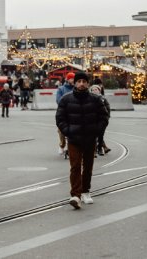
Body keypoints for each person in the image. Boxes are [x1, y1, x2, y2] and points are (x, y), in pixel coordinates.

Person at [56, 71, 109, 210]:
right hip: (74, 139)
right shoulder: (66, 99)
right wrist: (68, 131)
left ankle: (86, 191)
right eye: (79, 81)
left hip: (90, 139)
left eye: (84, 82)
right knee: (75, 167)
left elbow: (104, 117)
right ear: (75, 82)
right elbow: (60, 118)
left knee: (88, 167)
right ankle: (75, 195)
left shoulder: (96, 99)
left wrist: (96, 131)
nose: (81, 84)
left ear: (87, 83)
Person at [56, 72, 76, 156]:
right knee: (61, 130)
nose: (73, 80)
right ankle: (62, 145)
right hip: (64, 112)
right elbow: (58, 100)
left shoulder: (77, 88)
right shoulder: (61, 89)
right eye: (71, 78)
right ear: (68, 79)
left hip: (75, 112)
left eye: (74, 78)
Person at [90, 84, 111, 156]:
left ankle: (99, 149)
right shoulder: (89, 99)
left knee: (100, 135)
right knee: (93, 135)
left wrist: (106, 119)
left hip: (102, 120)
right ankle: (94, 150)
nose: (94, 91)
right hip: (93, 120)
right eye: (93, 90)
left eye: (96, 89)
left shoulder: (103, 99)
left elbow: (108, 109)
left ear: (99, 90)